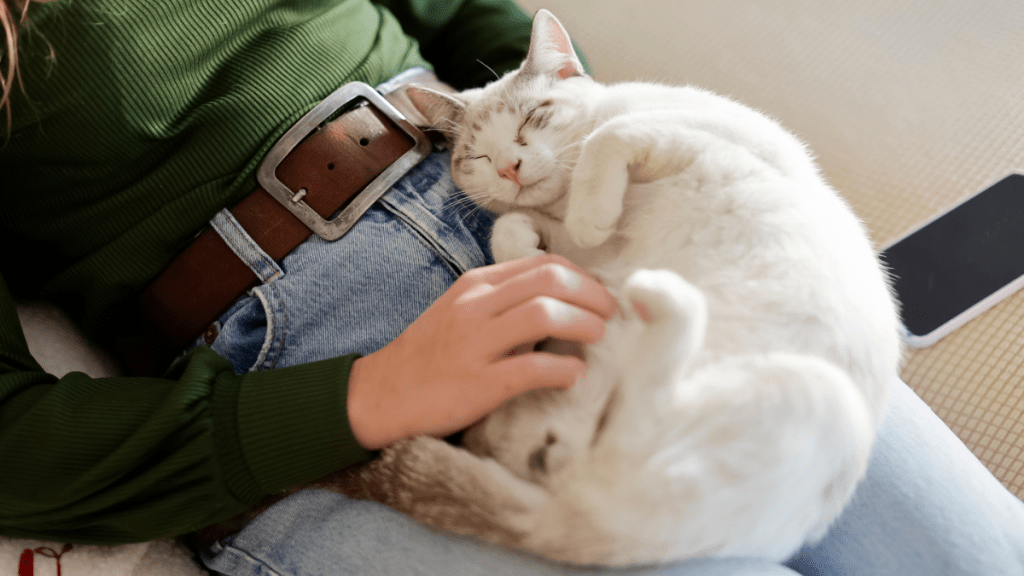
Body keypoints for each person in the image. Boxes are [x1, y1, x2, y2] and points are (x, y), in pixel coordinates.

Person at [1, 0, 1022, 574]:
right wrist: (370, 398)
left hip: (585, 213)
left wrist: (573, 126)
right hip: (307, 365)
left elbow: (484, 19)